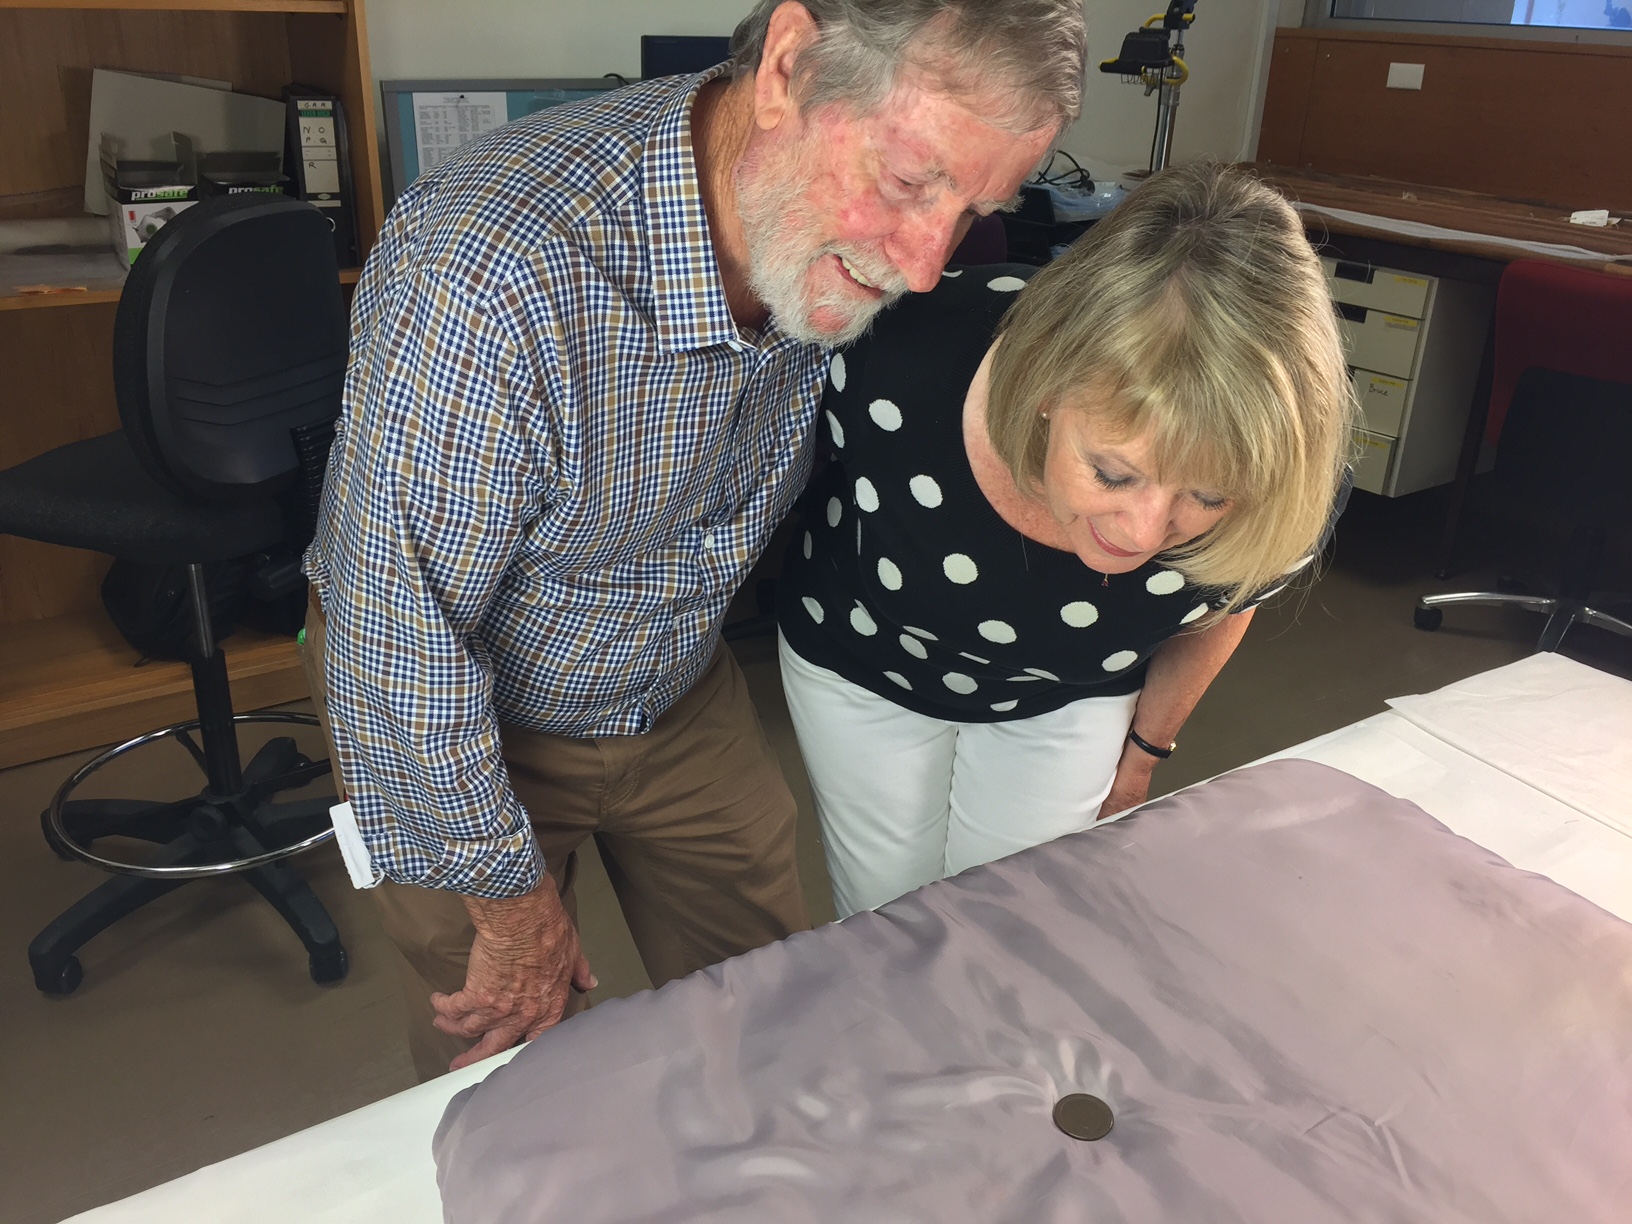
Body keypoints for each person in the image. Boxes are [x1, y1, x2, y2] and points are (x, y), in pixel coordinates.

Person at [301, 0, 1086, 1079]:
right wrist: (512, 902)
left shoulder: (815, 227)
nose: (921, 263)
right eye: (909, 183)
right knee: (515, 1071)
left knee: (775, 1007)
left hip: (673, 669)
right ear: (789, 68)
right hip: (459, 710)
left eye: (974, 207)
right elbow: (395, 635)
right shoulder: (491, 271)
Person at [775, 161, 1355, 918]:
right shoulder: (897, 362)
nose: (1142, 534)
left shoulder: (1291, 489)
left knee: (1016, 919)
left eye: (1207, 495)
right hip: (863, 659)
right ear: (1046, 389)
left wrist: (1147, 750)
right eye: (1114, 473)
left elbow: (1225, 604)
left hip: (1066, 694)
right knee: (885, 917)